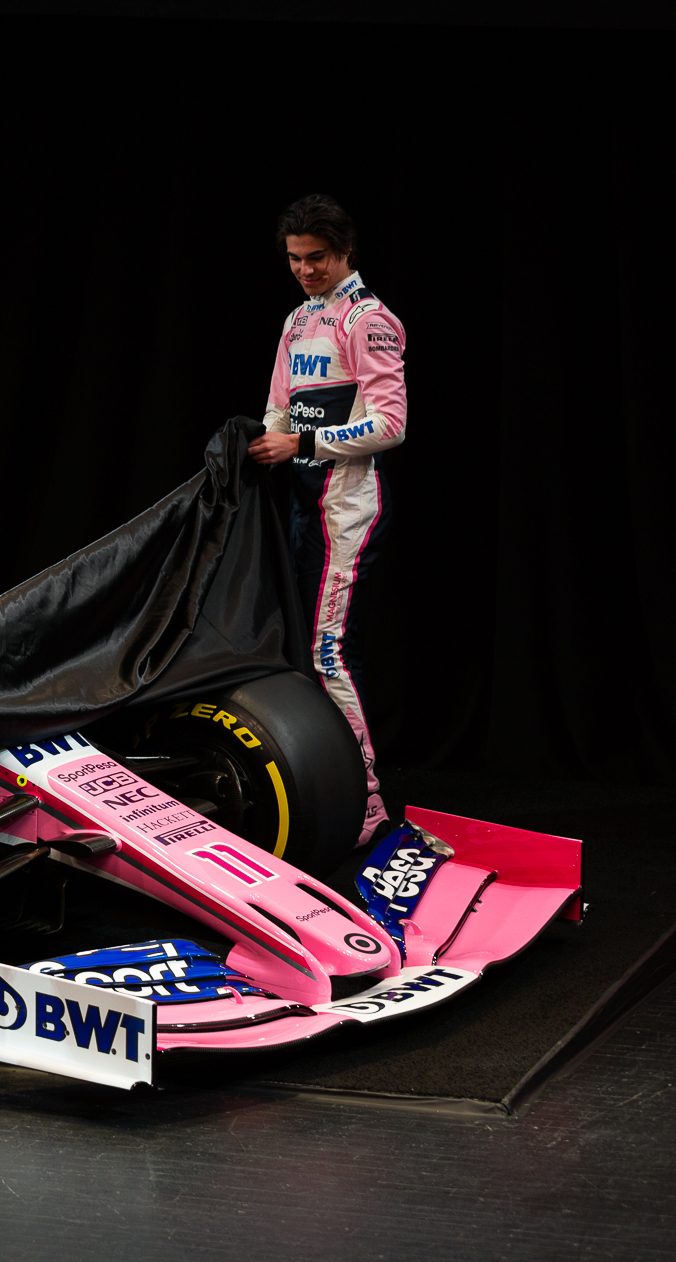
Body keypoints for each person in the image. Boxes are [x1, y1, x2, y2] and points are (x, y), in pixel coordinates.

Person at [247, 194, 405, 846]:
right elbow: (278, 412)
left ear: (344, 253)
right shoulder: (297, 321)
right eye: (295, 259)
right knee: (304, 652)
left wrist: (302, 446)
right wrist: (260, 443)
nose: (305, 269)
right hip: (302, 504)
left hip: (348, 506)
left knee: (329, 653)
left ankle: (367, 802)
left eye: (317, 258)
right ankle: (330, 784)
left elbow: (391, 425)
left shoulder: (368, 321)